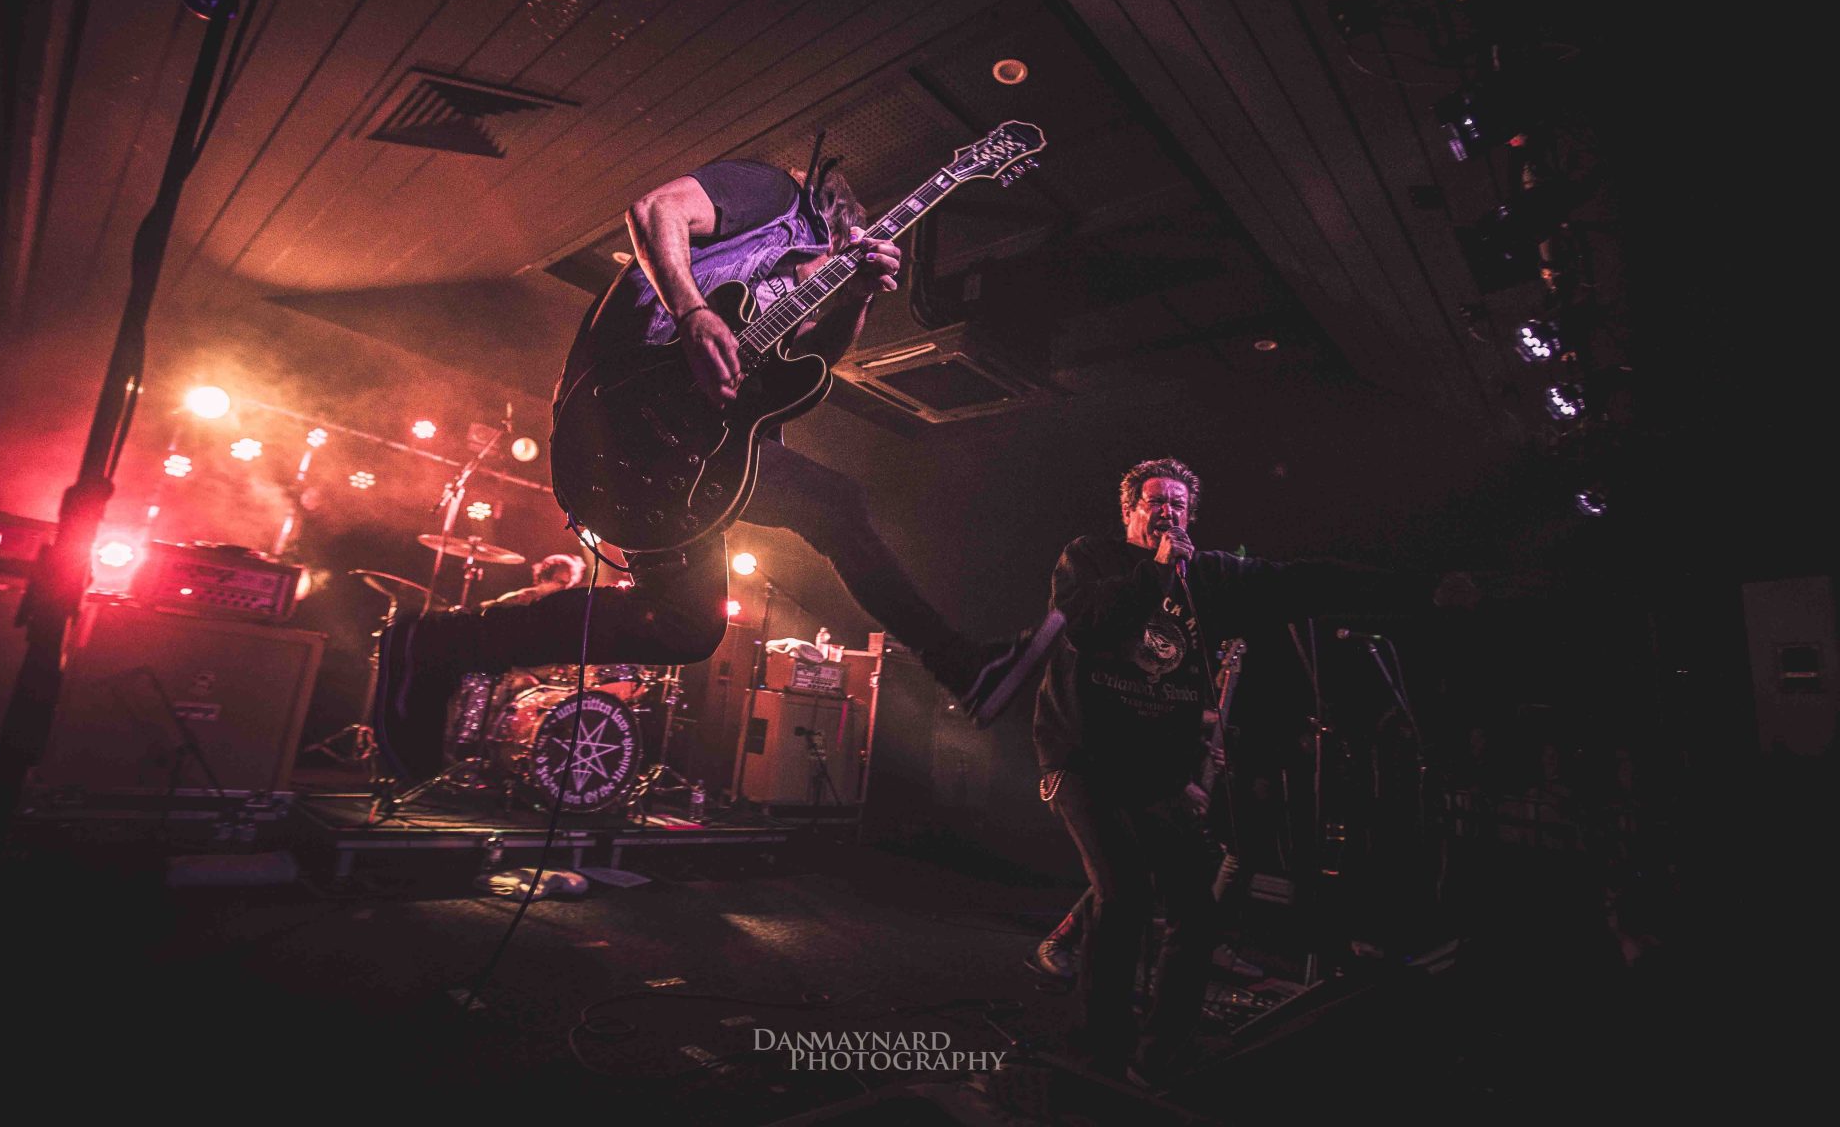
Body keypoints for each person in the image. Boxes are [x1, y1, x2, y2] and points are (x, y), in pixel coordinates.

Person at [373, 157, 1061, 779]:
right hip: (624, 407)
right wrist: (693, 312)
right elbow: (654, 211)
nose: (833, 273)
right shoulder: (772, 193)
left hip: (693, 457)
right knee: (833, 505)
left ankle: (439, 644)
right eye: (839, 260)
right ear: (832, 233)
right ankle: (961, 665)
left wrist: (855, 299)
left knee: (685, 626)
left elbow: (810, 362)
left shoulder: (789, 292)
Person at [1034, 455, 1473, 1089]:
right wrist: (1156, 571)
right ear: (1128, 511)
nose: (1169, 511)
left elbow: (1306, 580)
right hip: (1085, 760)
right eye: (1156, 501)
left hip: (1156, 773)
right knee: (1123, 893)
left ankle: (1158, 1056)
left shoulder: (1209, 575)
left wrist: (1420, 588)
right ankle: (1099, 1049)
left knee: (1196, 913)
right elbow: (1087, 624)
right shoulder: (1089, 558)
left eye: (1179, 504)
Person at [479, 552, 586, 608]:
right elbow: (489, 608)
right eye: (560, 582)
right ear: (545, 577)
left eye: (566, 584)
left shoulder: (560, 604)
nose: (563, 588)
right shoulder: (522, 598)